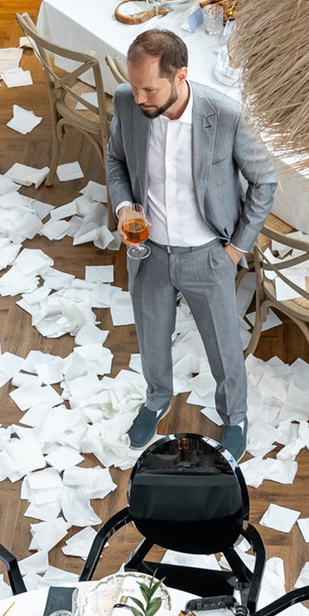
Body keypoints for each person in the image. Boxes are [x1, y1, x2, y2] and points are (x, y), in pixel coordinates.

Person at [105, 28, 277, 461]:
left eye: (150, 88)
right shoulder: (127, 103)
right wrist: (125, 207)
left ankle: (234, 417)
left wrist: (235, 250)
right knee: (152, 338)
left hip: (208, 256)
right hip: (149, 254)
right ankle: (156, 399)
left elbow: (265, 180)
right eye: (135, 85)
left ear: (181, 76)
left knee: (223, 348)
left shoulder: (226, 115)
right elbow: (116, 161)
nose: (139, 96)